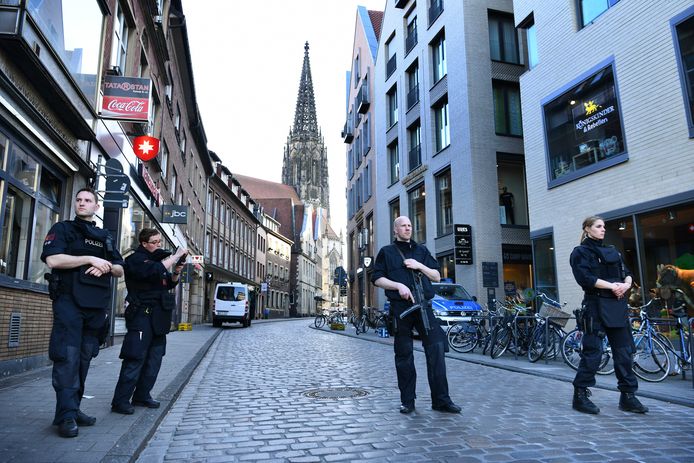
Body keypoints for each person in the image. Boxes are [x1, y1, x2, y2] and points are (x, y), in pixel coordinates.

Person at [41, 187, 124, 438]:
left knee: (84, 359)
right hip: (69, 303)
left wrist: (105, 266)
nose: (82, 203)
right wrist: (89, 259)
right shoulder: (63, 229)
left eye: (88, 200)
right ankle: (66, 416)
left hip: (95, 307)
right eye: (78, 200)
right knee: (67, 359)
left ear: (96, 206)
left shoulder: (104, 236)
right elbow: (53, 260)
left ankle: (73, 409)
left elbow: (120, 269)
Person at [372, 216, 461, 415]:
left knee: (437, 350)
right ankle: (408, 401)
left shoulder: (421, 251)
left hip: (424, 307)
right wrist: (398, 285)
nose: (408, 228)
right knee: (404, 355)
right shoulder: (386, 252)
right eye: (403, 225)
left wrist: (419, 265)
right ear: (395, 230)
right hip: (401, 309)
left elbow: (436, 276)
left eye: (410, 225)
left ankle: (441, 400)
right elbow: (376, 278)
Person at [569, 216, 648, 414]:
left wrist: (626, 284)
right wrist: (612, 286)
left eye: (604, 226)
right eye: (598, 226)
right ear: (587, 229)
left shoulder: (613, 251)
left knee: (624, 353)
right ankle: (580, 395)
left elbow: (628, 272)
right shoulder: (580, 252)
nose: (603, 229)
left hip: (617, 306)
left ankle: (628, 396)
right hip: (595, 306)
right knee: (593, 352)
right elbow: (585, 278)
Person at [110, 228, 188, 414]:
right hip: (141, 316)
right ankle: (120, 401)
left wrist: (176, 272)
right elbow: (155, 270)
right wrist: (175, 256)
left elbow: (167, 283)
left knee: (154, 360)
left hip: (159, 318)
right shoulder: (135, 260)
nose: (158, 245)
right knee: (135, 357)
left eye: (160, 241)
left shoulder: (157, 261)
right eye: (155, 242)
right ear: (144, 243)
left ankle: (142, 395)